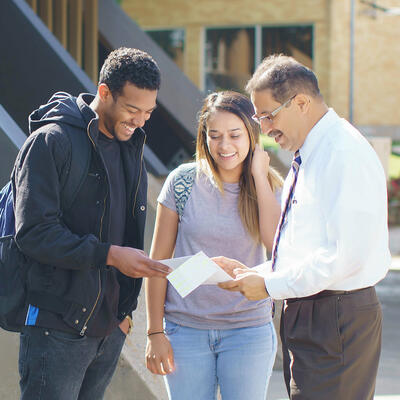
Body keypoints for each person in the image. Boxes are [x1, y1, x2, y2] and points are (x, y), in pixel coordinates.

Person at [218, 55, 391, 400]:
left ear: (300, 103)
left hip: (334, 317)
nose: (264, 128)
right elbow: (308, 247)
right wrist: (256, 273)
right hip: (318, 313)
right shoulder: (312, 151)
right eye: (259, 117)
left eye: (268, 115)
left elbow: (344, 257)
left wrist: (268, 284)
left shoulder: (342, 153)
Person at [12, 47, 171, 400]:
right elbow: (34, 234)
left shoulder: (132, 147)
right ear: (104, 92)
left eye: (148, 112)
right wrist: (110, 255)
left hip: (109, 327)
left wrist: (123, 316)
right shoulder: (51, 142)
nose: (140, 121)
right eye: (132, 109)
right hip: (58, 327)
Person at [145, 91, 283, 400]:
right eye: (215, 135)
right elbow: (157, 264)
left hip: (248, 332)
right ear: (203, 136)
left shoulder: (271, 186)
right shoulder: (182, 182)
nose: (224, 146)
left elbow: (275, 244)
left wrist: (259, 175)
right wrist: (155, 332)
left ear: (252, 134)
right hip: (185, 331)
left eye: (235, 135)